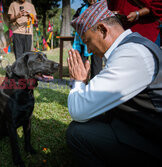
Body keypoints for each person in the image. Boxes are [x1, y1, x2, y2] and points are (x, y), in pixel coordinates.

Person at [67, 1, 162, 166]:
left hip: (153, 142)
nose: (88, 50)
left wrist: (78, 82)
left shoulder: (132, 54)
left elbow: (78, 110)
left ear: (102, 29)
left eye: (88, 41)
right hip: (140, 128)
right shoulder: (132, 46)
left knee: (76, 133)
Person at [72, 0, 102, 79]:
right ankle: (81, 83)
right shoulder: (81, 9)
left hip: (97, 42)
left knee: (96, 64)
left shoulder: (102, 8)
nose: (92, 0)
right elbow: (74, 22)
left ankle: (95, 85)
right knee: (82, 62)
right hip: (83, 41)